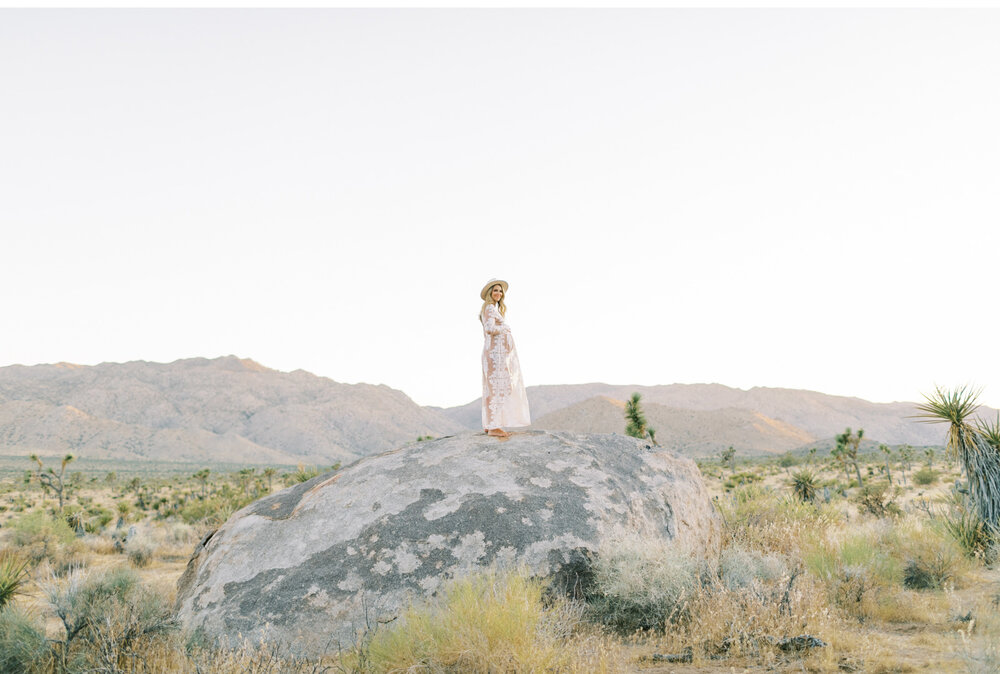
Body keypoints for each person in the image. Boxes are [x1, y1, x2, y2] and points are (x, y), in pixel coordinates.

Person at [479, 279, 530, 438]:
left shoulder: (494, 309)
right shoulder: (489, 308)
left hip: (496, 353)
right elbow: (489, 328)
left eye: (501, 291)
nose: (499, 293)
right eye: (495, 290)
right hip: (494, 355)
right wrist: (505, 328)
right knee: (496, 388)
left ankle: (490, 423)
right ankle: (494, 426)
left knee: (494, 388)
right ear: (490, 293)